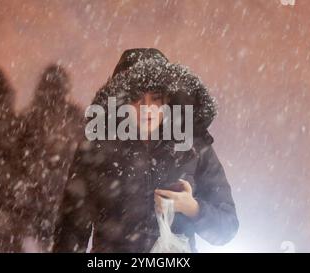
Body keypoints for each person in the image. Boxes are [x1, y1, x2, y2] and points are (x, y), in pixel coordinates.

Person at [54, 48, 238, 252]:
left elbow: (227, 228)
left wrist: (191, 208)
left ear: (168, 100)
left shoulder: (193, 148)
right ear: (120, 100)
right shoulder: (96, 149)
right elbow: (71, 230)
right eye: (136, 97)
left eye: (156, 98)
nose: (146, 107)